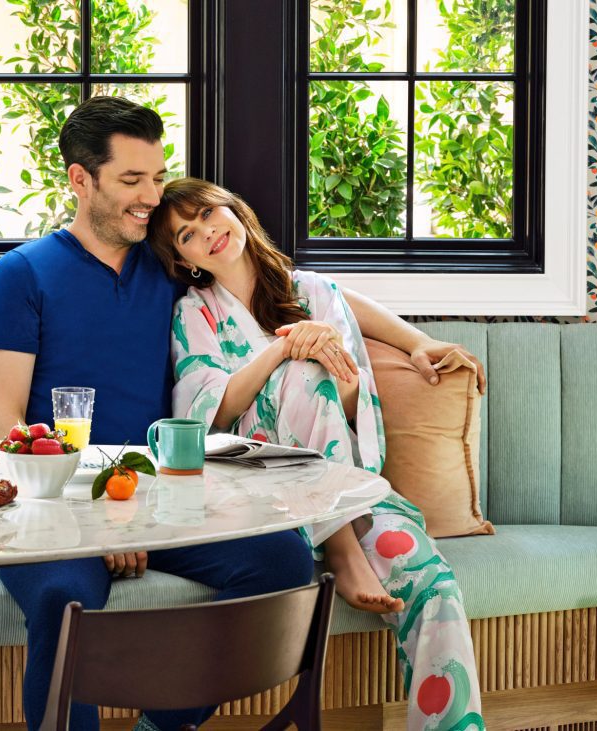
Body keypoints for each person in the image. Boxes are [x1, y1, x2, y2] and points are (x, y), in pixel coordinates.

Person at [0, 97, 316, 731]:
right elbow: (1, 426)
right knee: (63, 594)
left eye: (156, 177)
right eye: (132, 180)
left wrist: (415, 341)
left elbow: (289, 287)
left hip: (165, 496)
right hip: (54, 508)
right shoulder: (19, 276)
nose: (151, 196)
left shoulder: (169, 270)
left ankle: (161, 723)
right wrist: (98, 522)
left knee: (285, 564)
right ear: (81, 179)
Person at [147, 177, 487, 731]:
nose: (206, 232)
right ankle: (344, 550)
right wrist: (284, 348)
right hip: (262, 499)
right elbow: (217, 412)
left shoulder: (316, 292)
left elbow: (353, 398)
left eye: (210, 213)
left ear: (235, 208)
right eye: (186, 234)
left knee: (436, 589)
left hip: (342, 486)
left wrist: (335, 354)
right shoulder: (194, 313)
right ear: (184, 260)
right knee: (303, 372)